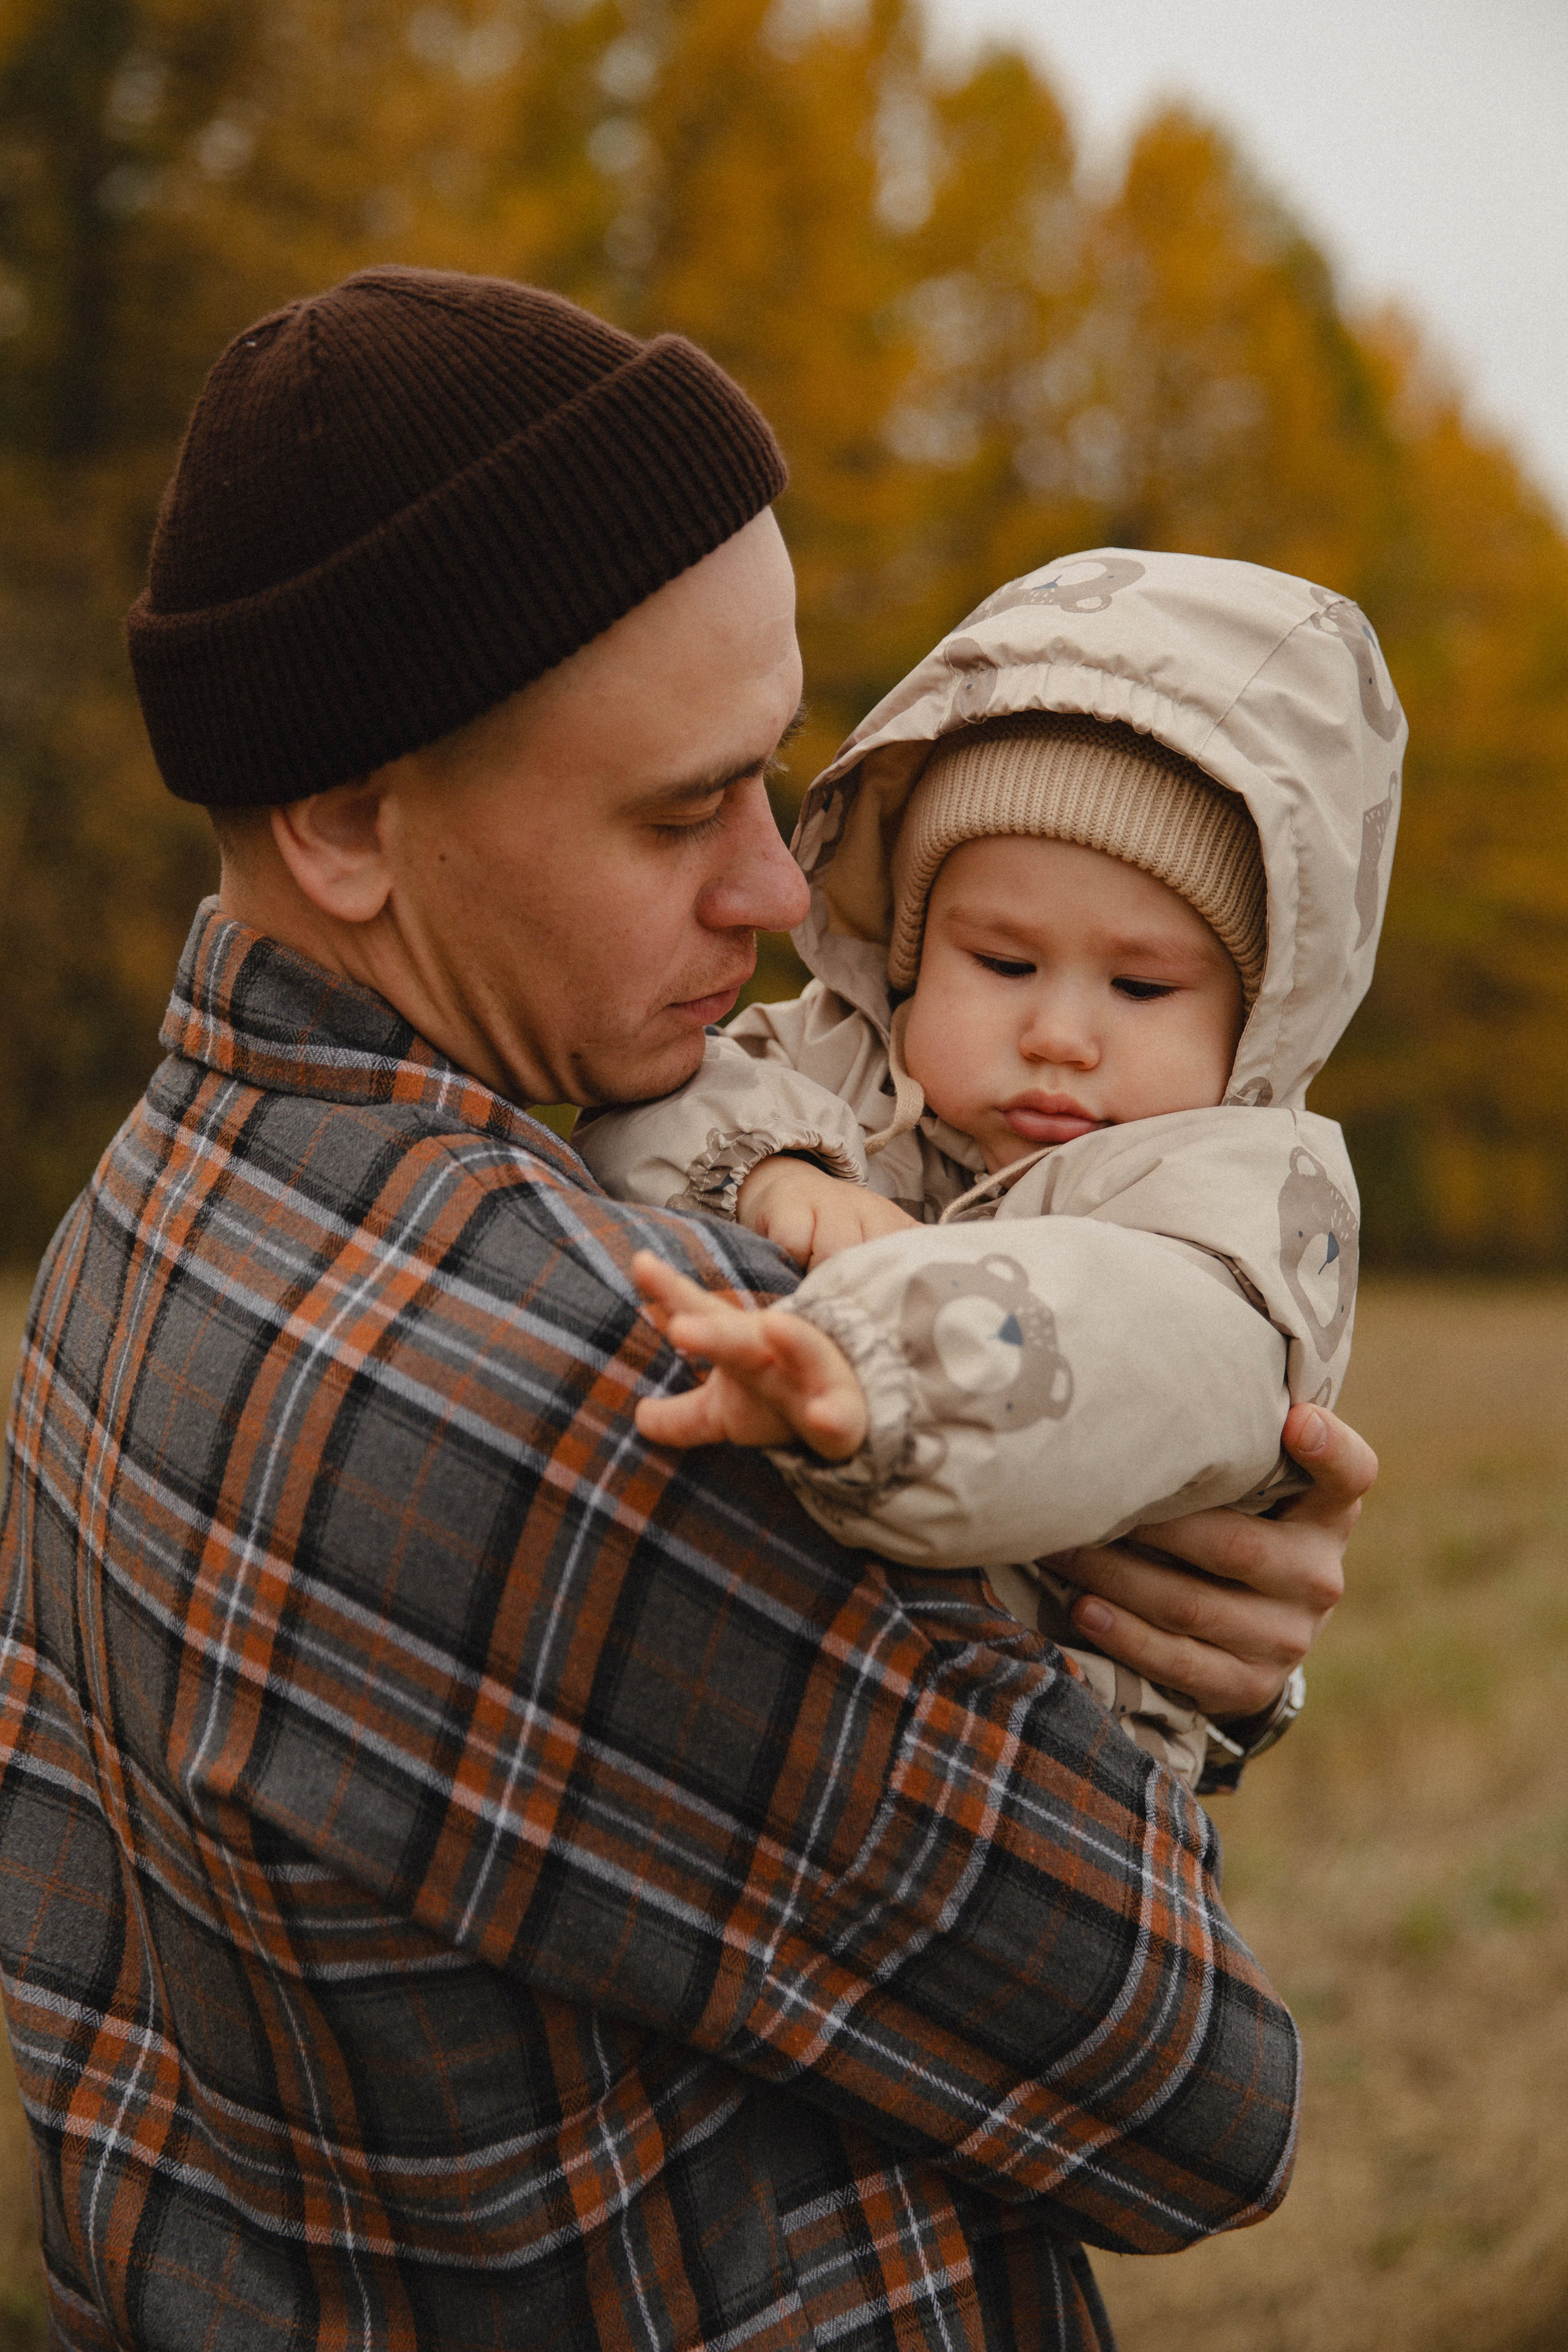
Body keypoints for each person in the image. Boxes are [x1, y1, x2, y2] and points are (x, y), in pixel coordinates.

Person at [0, 270, 1373, 2352]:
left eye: (776, 781)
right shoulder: (610, 1387)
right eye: (677, 812)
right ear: (350, 820)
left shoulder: (128, 1218)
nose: (772, 896)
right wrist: (1180, 1674)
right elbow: (1197, 2093)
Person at [578, 550, 1403, 1789]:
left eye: (1139, 987)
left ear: (1256, 1021)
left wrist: (888, 1369)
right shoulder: (834, 1068)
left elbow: (1131, 1345)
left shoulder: (1238, 1205)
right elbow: (635, 1112)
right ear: (913, 950)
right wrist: (771, 1174)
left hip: (1047, 1781)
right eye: (1001, 963)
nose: (1058, 1035)